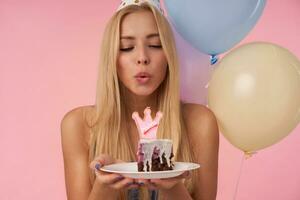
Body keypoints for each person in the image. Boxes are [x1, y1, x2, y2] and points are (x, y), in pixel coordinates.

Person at [61, 1, 219, 199]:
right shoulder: (78, 125)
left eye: (155, 45)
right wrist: (107, 184)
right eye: (127, 47)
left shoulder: (201, 122)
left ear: (169, 54)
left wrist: (171, 186)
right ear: (112, 58)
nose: (142, 57)